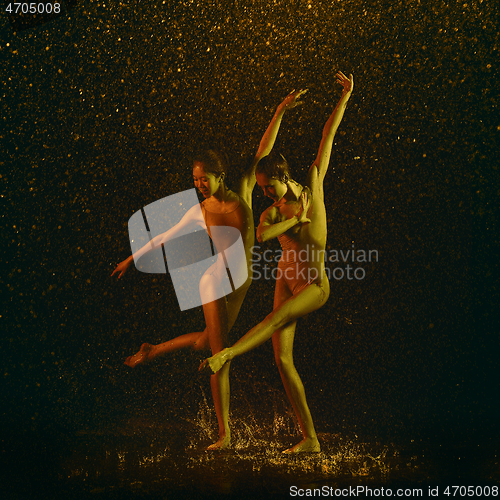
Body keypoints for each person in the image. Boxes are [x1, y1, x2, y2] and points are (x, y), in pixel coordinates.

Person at [111, 89, 307, 450]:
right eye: (195, 180)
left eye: (205, 179)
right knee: (220, 356)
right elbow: (165, 237)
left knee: (204, 342)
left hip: (240, 282)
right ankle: (224, 434)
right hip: (216, 280)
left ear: (221, 175)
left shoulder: (246, 190)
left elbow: (263, 149)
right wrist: (130, 259)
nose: (199, 186)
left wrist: (280, 110)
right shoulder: (200, 210)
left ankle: (153, 350)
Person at [200, 71, 354, 453]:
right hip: (285, 281)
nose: (265, 193)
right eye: (263, 188)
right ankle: (311, 439)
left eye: (270, 187)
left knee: (276, 321)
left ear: (283, 176)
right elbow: (265, 235)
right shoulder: (272, 214)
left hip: (314, 286)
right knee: (283, 360)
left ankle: (228, 352)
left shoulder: (314, 183)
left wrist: (346, 97)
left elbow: (327, 137)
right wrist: (293, 220)